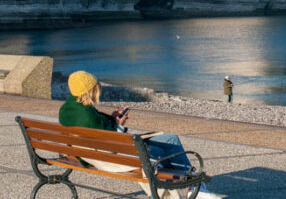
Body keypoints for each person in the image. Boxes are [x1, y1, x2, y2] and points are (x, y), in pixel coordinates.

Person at [59, 71, 221, 199]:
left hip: (94, 154)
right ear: (90, 90)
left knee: (169, 139)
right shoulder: (87, 115)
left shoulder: (69, 110)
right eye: (97, 88)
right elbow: (112, 140)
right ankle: (193, 187)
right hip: (120, 156)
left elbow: (100, 132)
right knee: (170, 142)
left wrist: (113, 121)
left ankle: (191, 187)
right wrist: (120, 125)